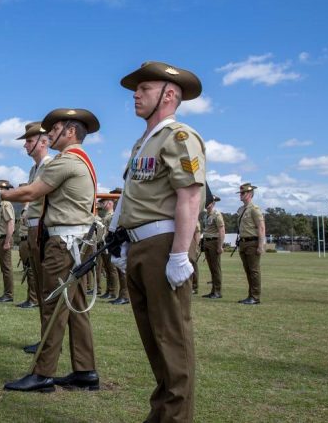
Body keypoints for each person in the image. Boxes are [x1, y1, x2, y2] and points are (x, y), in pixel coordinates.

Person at [0, 108, 101, 393]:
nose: (49, 135)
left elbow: (32, 192)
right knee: (76, 308)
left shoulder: (65, 160)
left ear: (70, 131)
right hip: (74, 242)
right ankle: (85, 370)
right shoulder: (82, 160)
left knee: (53, 307)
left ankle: (43, 374)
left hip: (62, 244)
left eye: (54, 130)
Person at [113, 61, 206, 422]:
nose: (135, 95)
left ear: (168, 95)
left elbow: (190, 197)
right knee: (154, 342)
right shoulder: (144, 142)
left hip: (163, 244)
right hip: (140, 246)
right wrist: (122, 239)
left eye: (144, 89)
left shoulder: (179, 137)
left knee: (173, 342)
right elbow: (134, 196)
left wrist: (180, 254)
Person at [16, 122, 53, 350]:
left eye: (29, 141)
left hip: (41, 229)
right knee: (39, 288)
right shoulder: (34, 169)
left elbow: (34, 195)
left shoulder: (48, 165)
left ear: (43, 142)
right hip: (32, 228)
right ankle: (46, 338)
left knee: (46, 289)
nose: (26, 146)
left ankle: (49, 341)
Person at [236, 183, 265, 305]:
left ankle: (255, 296)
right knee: (248, 271)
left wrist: (260, 245)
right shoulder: (241, 209)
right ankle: (250, 295)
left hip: (252, 242)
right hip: (243, 243)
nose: (240, 195)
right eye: (240, 193)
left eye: (243, 193)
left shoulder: (254, 209)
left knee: (254, 271)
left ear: (249, 194)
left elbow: (261, 227)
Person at [0, 180, 16, 303]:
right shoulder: (2, 205)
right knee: (4, 268)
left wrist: (7, 241)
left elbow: (11, 224)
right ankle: (7, 293)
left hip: (4, 238)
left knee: (6, 268)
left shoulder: (6, 205)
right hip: (1, 238)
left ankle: (9, 294)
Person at [97, 194, 120, 301]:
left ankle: (113, 292)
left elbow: (111, 231)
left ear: (110, 203)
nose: (101, 204)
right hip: (103, 243)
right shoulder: (106, 215)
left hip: (109, 244)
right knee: (107, 268)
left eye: (103, 202)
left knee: (112, 270)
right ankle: (109, 291)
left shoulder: (112, 216)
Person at [201, 195, 224, 298]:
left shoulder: (217, 214)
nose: (207, 203)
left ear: (213, 203)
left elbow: (221, 231)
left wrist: (220, 246)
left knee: (216, 268)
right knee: (211, 268)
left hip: (214, 242)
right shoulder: (206, 215)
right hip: (207, 242)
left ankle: (217, 291)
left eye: (209, 202)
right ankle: (213, 290)